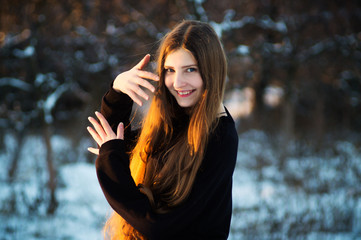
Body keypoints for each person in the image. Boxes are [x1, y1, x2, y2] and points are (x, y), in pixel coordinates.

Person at [87, 20, 239, 240]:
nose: (178, 82)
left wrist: (110, 159)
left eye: (190, 70)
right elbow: (110, 140)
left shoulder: (221, 137)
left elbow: (161, 226)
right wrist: (119, 90)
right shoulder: (175, 117)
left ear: (212, 71)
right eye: (170, 70)